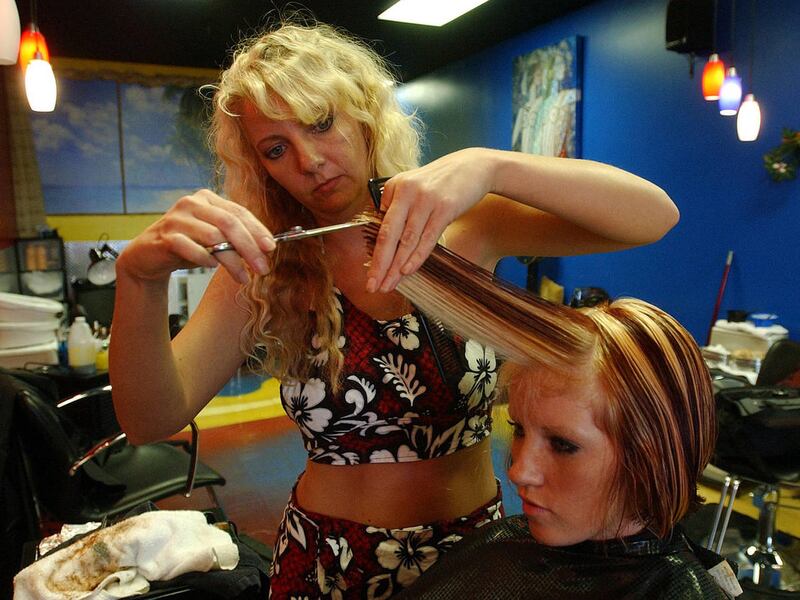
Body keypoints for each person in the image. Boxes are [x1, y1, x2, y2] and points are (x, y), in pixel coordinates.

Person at [109, 20, 680, 598]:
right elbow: (150, 419)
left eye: (321, 122)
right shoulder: (269, 263)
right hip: (327, 563)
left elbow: (653, 217)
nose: (309, 161)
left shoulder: (462, 231)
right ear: (262, 168)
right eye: (276, 149)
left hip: (473, 558)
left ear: (362, 113)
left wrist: (493, 166)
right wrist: (139, 279)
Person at [377, 248, 734, 598]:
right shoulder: (498, 549)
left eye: (563, 445)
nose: (519, 472)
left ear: (651, 455)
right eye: (518, 429)